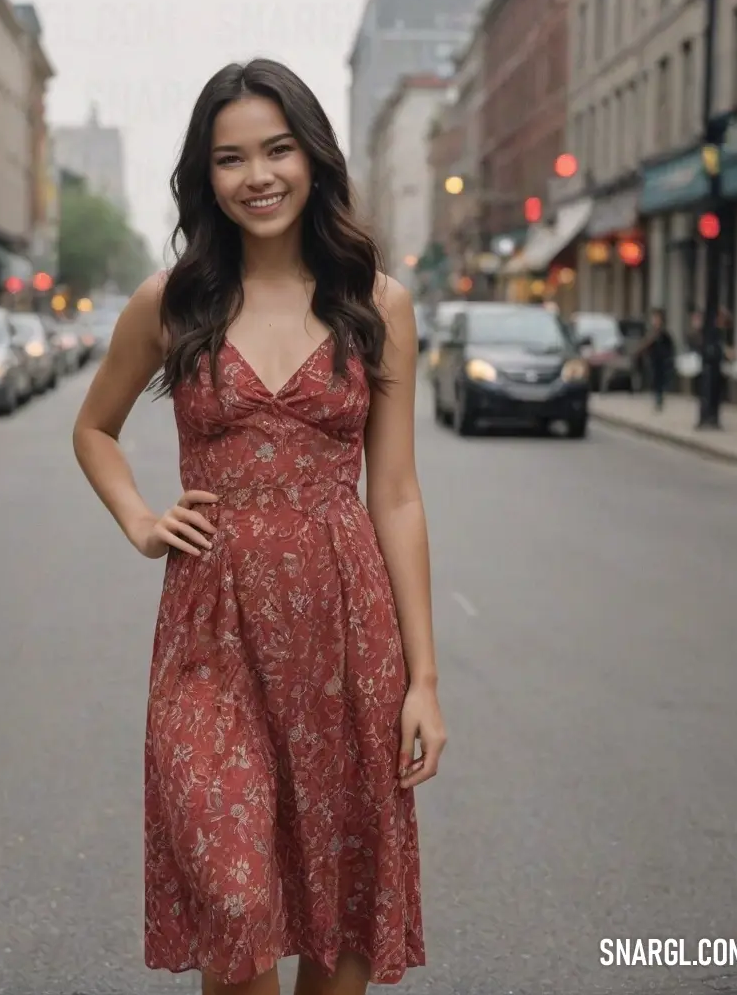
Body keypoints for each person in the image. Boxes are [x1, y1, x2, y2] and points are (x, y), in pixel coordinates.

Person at [73, 59, 445, 995]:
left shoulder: (378, 305)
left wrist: (424, 680)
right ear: (208, 178)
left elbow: (395, 493)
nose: (259, 175)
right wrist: (140, 519)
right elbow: (93, 428)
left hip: (345, 635)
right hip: (211, 636)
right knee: (236, 908)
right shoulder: (173, 302)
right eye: (231, 158)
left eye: (278, 149)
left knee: (337, 929)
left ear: (313, 157)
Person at [638, 307, 676, 410]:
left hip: (662, 362)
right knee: (655, 381)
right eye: (654, 318)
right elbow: (646, 346)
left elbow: (670, 348)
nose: (655, 321)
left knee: (660, 381)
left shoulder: (663, 334)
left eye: (657, 318)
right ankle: (657, 399)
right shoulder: (651, 333)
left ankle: (659, 400)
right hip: (654, 361)